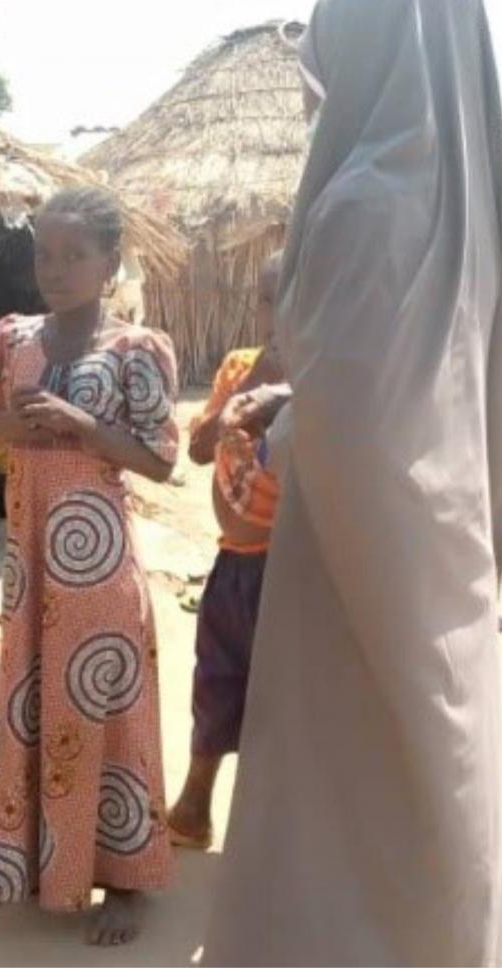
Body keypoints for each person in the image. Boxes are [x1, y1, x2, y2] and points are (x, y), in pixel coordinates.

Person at [202, 0, 502, 966]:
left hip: (357, 557)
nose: (310, 92)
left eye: (323, 68)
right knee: (434, 767)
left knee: (350, 793)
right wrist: (303, 406)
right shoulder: (460, 204)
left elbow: (360, 426)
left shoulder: (360, 202)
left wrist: (289, 427)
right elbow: (421, 395)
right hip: (443, 541)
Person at [0, 186, 179, 947]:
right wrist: (9, 422)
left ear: (109, 262)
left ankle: (123, 881)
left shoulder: (134, 348)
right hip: (29, 572)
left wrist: (84, 425)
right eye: (42, 255)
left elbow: (159, 459)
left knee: (107, 714)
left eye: (72, 256)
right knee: (28, 711)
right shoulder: (10, 338)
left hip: (97, 578)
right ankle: (29, 863)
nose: (53, 270)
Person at [166, 253, 285, 850]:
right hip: (233, 560)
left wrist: (286, 398)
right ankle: (194, 804)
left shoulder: (323, 384)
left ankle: (266, 832)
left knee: (279, 698)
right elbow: (197, 451)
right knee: (215, 679)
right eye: (267, 299)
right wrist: (242, 395)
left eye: (291, 297)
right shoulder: (239, 367)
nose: (276, 312)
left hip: (288, 569)